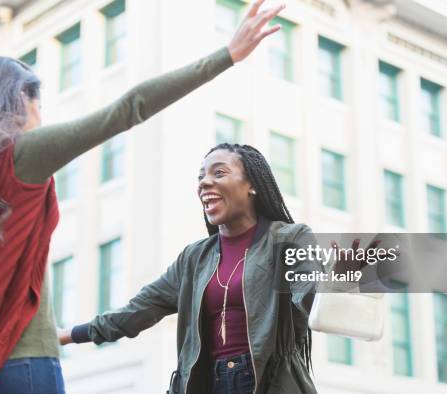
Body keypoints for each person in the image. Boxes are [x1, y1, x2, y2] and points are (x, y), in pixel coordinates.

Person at [0, 1, 285, 392]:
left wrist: (72, 334)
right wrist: (227, 55)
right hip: (22, 362)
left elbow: (343, 271)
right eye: (38, 102)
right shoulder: (21, 157)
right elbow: (129, 109)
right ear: (20, 101)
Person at [61, 143, 318, 394]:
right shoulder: (194, 259)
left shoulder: (289, 239)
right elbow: (136, 311)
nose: (204, 183)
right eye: (201, 177)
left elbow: (316, 290)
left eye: (219, 173)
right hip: (208, 383)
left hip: (271, 383)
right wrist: (68, 336)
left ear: (251, 185)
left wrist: (348, 268)